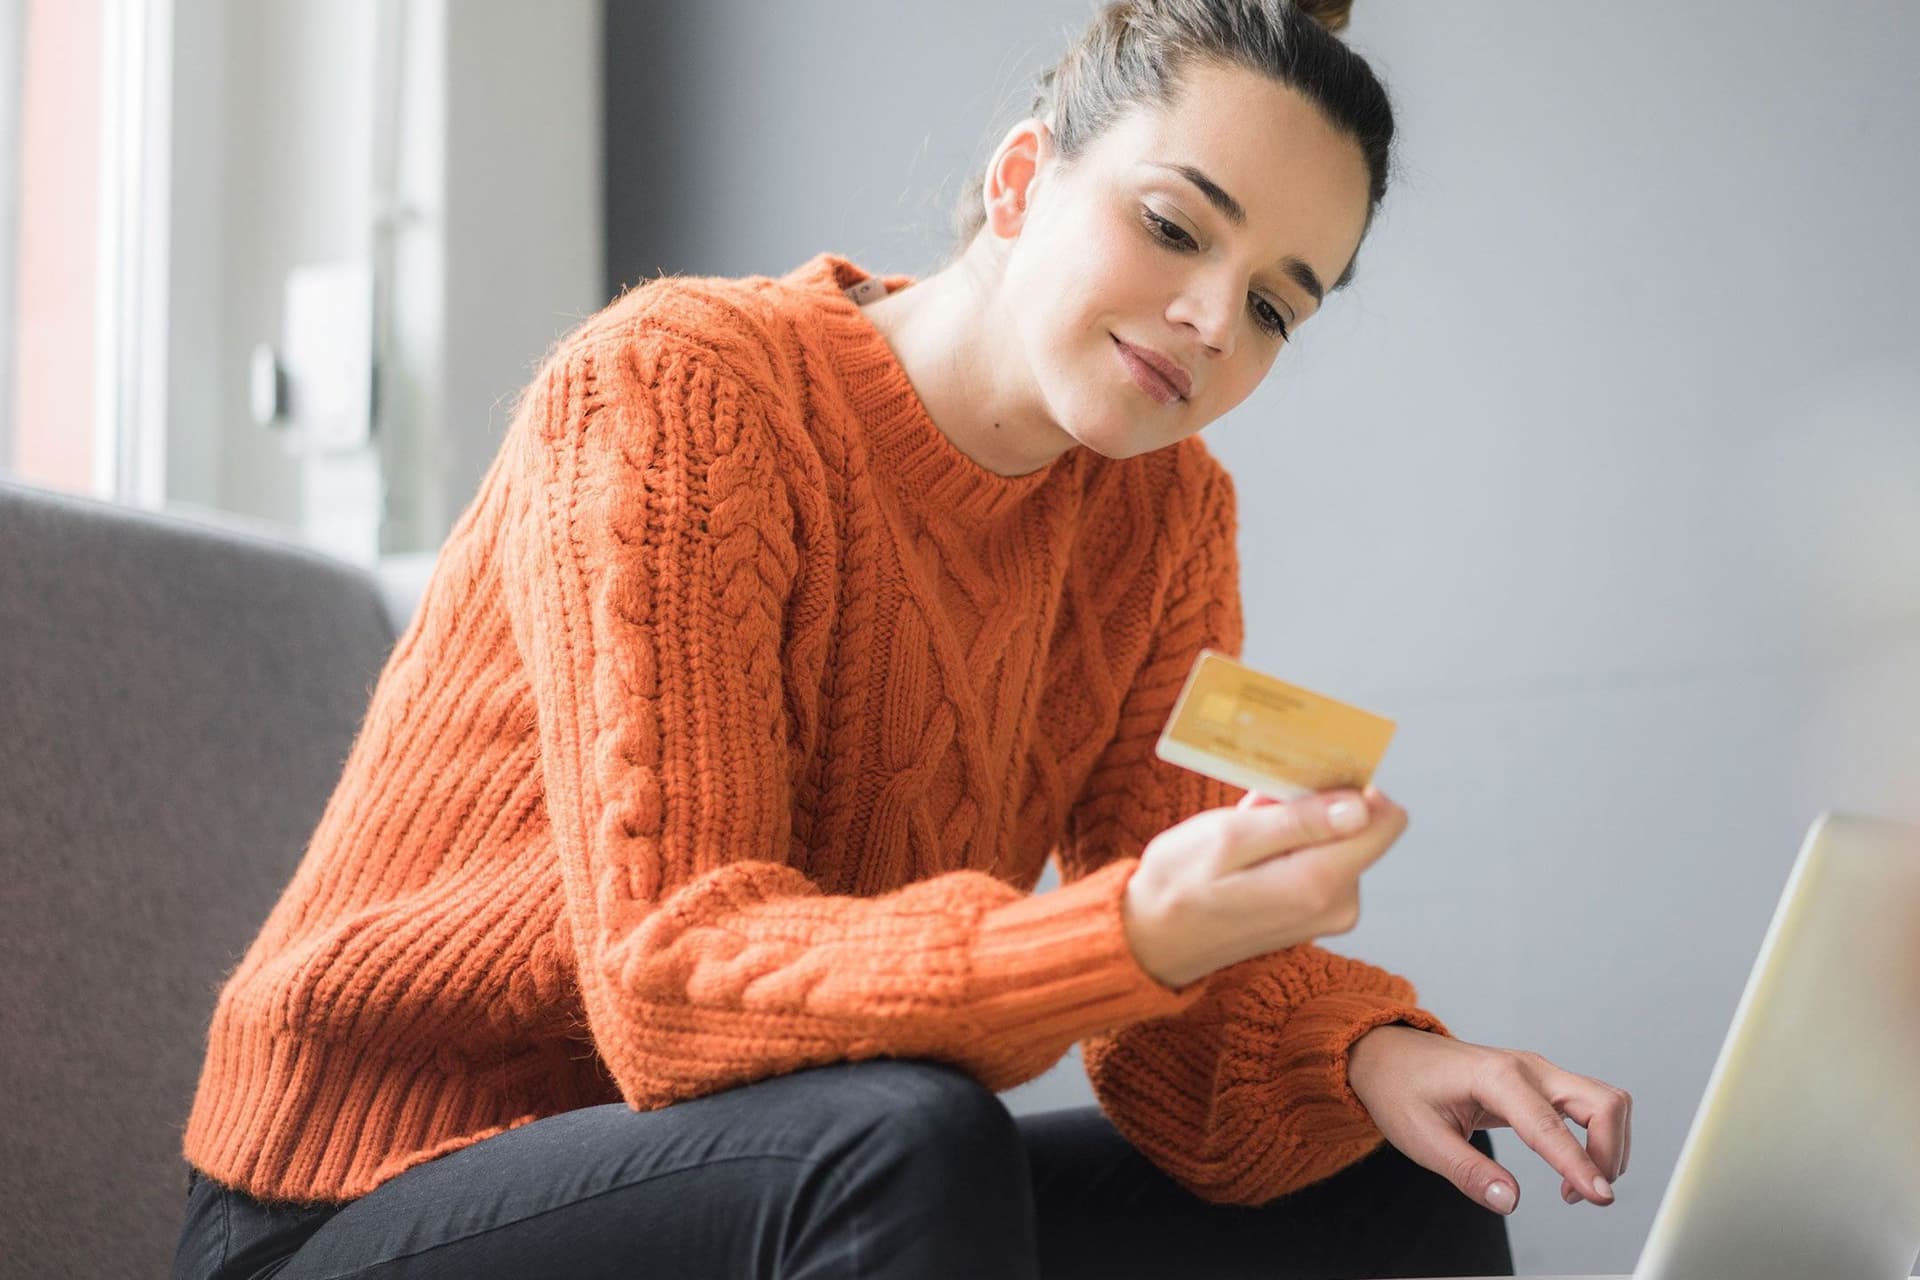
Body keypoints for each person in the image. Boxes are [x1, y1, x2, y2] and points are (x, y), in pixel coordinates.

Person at [172, 1, 1631, 1276]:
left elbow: (1173, 1028)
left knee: (1394, 1191)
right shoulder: (681, 389)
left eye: (1270, 309)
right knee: (906, 1140)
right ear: (1019, 181)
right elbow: (674, 990)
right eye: (1174, 227)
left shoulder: (1166, 518)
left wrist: (1376, 1054)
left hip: (770, 1173)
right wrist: (1128, 928)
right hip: (360, 1197)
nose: (1207, 322)